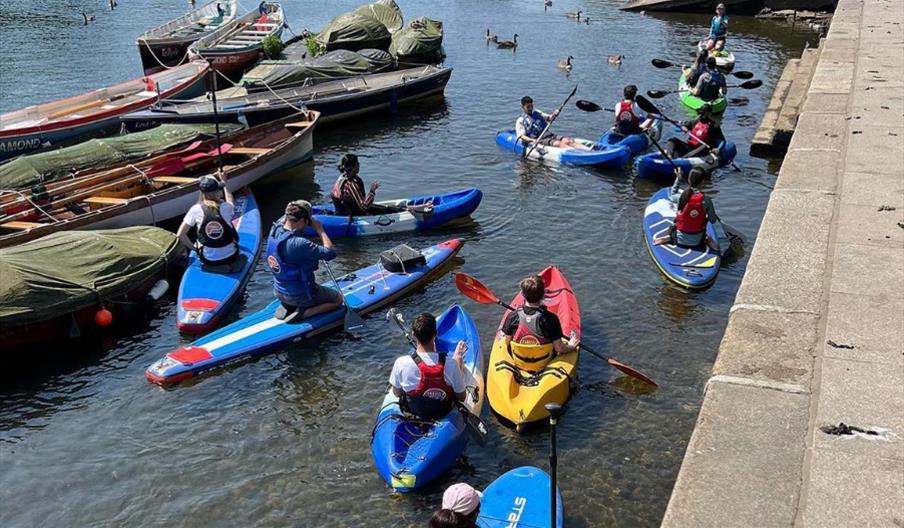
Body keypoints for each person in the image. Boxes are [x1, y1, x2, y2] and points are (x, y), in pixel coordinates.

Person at [265, 200, 343, 320]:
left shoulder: (274, 230)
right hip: (300, 295)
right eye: (307, 222)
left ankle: (288, 304)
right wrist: (320, 229)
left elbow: (283, 220)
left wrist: (292, 208)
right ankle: (305, 313)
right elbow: (330, 253)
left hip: (278, 291)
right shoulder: (299, 243)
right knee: (337, 299)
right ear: (303, 220)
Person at [389, 313, 467, 421]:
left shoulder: (401, 363)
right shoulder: (451, 364)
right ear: (435, 334)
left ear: (413, 334)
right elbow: (462, 397)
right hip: (442, 413)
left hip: (414, 414)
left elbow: (397, 393)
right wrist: (458, 361)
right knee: (457, 362)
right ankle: (458, 355)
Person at [502, 274, 579, 362]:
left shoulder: (513, 316)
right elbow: (559, 348)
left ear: (523, 295)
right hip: (544, 362)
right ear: (543, 295)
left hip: (520, 361)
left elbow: (506, 342)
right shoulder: (551, 319)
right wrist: (571, 346)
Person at [176, 173, 239, 266]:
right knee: (230, 225)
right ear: (218, 192)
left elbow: (180, 235)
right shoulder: (226, 207)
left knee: (199, 234)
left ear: (201, 193)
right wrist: (224, 183)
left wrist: (195, 250)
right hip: (231, 257)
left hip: (208, 260)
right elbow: (230, 200)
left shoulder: (195, 209)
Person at [655, 167, 720, 251]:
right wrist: (706, 215)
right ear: (703, 181)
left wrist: (678, 179)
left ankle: (669, 238)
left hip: (678, 239)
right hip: (698, 241)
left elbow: (672, 194)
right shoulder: (706, 200)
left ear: (689, 180)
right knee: (705, 235)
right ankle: (708, 240)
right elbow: (713, 220)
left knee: (672, 227)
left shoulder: (682, 196)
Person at [515, 96, 592, 150]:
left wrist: (554, 114)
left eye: (531, 106)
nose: (530, 108)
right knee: (559, 144)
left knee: (568, 141)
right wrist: (532, 140)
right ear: (522, 107)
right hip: (538, 139)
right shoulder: (520, 120)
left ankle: (589, 150)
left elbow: (549, 118)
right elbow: (521, 136)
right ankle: (577, 154)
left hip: (548, 134)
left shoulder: (537, 112)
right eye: (528, 107)